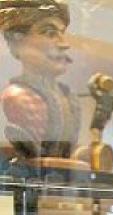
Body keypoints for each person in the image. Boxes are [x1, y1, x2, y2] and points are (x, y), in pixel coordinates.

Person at [0, 0, 80, 160]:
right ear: (17, 41)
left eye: (62, 33)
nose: (64, 44)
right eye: (50, 33)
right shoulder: (18, 98)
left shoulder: (69, 99)